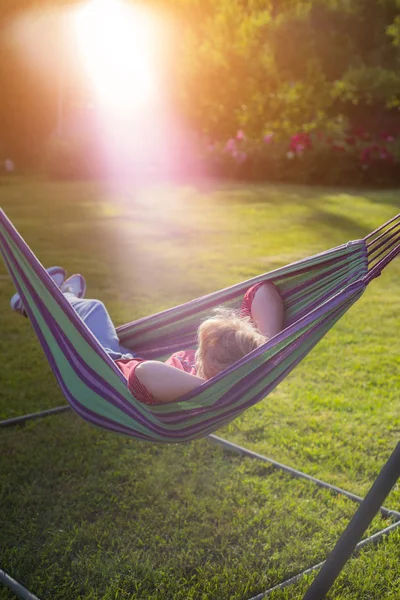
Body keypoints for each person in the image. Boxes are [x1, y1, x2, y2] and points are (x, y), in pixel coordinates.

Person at [11, 268, 285, 405]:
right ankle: (62, 295)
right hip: (126, 357)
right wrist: (269, 348)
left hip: (106, 366)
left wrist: (209, 387)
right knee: (91, 311)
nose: (196, 354)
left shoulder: (193, 387)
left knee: (93, 309)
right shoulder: (246, 358)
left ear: (215, 369)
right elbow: (260, 291)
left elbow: (143, 374)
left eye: (201, 355)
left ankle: (42, 299)